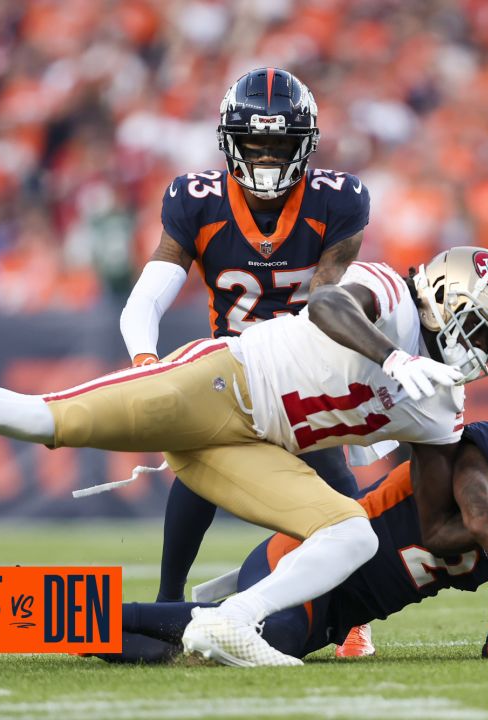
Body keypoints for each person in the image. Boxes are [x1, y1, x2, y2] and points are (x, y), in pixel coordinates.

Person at [0, 244, 488, 666]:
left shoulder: (442, 406)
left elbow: (441, 526)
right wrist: (393, 355)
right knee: (49, 418)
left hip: (249, 449)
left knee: (353, 533)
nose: (480, 357)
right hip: (219, 386)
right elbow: (328, 304)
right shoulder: (390, 297)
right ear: (443, 300)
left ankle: (234, 623)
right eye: (477, 332)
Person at [119, 67, 374, 654]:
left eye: (278, 145)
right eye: (253, 144)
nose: (263, 158)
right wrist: (143, 361)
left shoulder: (338, 200)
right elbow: (149, 294)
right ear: (230, 142)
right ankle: (166, 599)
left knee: (341, 498)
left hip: (306, 365)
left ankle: (352, 615)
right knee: (198, 460)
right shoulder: (196, 200)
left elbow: (329, 297)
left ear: (304, 145)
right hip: (229, 369)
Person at [97, 401, 488, 664]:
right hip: (305, 562)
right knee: (265, 638)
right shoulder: (481, 452)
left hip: (339, 611)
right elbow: (479, 528)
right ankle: (83, 615)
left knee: (215, 655)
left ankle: (78, 629)